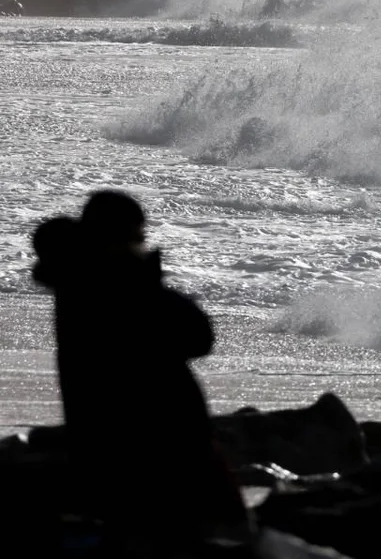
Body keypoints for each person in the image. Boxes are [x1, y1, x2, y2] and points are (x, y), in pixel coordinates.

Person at [31, 190, 254, 556]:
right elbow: (196, 336)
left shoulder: (79, 282)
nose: (142, 243)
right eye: (137, 235)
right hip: (158, 447)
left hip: (115, 446)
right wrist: (145, 276)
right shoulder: (115, 286)